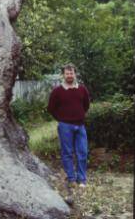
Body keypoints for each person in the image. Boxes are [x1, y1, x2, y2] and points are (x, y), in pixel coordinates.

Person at [47, 63, 90, 191]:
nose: (69, 75)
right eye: (67, 73)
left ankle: (81, 179)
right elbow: (51, 109)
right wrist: (61, 119)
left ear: (75, 74)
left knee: (82, 152)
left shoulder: (82, 89)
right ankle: (71, 178)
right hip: (65, 126)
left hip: (80, 125)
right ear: (63, 75)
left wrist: (79, 115)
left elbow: (86, 105)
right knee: (67, 153)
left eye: (71, 73)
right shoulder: (57, 91)